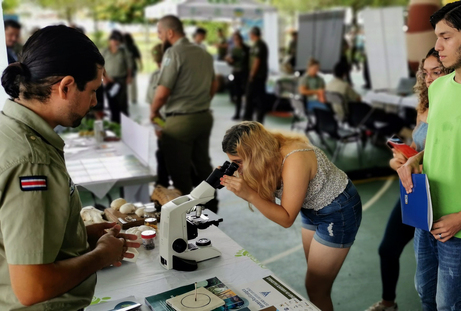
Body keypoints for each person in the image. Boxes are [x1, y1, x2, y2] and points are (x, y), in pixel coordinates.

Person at [0, 25, 139, 310]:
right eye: (92, 91)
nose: (94, 101)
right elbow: (32, 287)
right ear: (65, 86)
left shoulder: (11, 130)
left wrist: (78, 236)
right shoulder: (32, 163)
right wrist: (101, 256)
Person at [221, 121, 362, 311]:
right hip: (311, 208)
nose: (237, 168)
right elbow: (268, 197)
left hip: (337, 211)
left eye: (238, 162)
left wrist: (250, 194)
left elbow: (286, 219)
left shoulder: (294, 159)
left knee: (316, 288)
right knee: (315, 281)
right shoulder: (267, 156)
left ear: (255, 153)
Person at [366, 48, 452, 311]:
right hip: (417, 191)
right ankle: (389, 302)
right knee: (388, 249)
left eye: (435, 72)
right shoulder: (423, 105)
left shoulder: (453, 104)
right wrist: (399, 160)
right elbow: (417, 147)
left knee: (444, 278)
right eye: (424, 73)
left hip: (445, 193)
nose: (428, 78)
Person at [399, 3, 461, 309]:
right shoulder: (440, 89)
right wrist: (414, 159)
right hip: (426, 214)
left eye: (446, 37)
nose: (437, 45)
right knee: (425, 291)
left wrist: (460, 218)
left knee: (449, 304)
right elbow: (442, 142)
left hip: (456, 225)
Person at [150, 15, 219, 213]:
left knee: (180, 173)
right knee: (202, 164)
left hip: (180, 121)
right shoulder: (204, 53)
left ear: (170, 32)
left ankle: (186, 215)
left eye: (160, 32)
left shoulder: (174, 52)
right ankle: (211, 204)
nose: (159, 36)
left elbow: (162, 92)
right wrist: (201, 101)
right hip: (203, 117)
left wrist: (154, 111)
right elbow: (214, 84)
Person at [146, 43, 169, 188]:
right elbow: (151, 103)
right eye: (158, 62)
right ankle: (162, 186)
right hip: (163, 122)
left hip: (179, 123)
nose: (160, 64)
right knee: (162, 155)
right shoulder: (155, 76)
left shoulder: (181, 75)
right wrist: (157, 126)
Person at [101, 30, 133, 123]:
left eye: (118, 40)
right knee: (112, 102)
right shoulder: (105, 51)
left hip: (121, 80)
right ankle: (115, 122)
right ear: (110, 41)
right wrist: (105, 78)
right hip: (109, 80)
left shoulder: (123, 51)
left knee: (122, 103)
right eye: (114, 40)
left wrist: (129, 77)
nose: (115, 42)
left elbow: (129, 65)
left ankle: (124, 122)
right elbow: (100, 65)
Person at [243, 27, 269, 123]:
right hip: (257, 76)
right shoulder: (256, 45)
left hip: (258, 76)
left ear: (253, 34)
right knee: (255, 97)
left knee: (254, 97)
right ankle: (251, 118)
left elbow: (257, 61)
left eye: (250, 34)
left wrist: (252, 75)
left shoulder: (259, 45)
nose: (249, 36)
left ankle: (251, 118)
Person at [225, 31, 249, 121]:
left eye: (238, 39)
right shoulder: (233, 49)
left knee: (247, 94)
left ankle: (247, 113)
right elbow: (231, 62)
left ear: (241, 39)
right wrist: (229, 60)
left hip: (245, 73)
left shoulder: (246, 49)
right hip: (236, 72)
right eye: (234, 39)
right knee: (237, 94)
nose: (236, 41)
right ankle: (237, 113)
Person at [124, 33, 143, 105]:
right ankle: (133, 98)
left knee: (124, 83)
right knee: (133, 83)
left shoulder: (122, 47)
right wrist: (141, 65)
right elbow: (138, 57)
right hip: (133, 67)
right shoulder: (133, 47)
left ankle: (126, 97)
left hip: (124, 67)